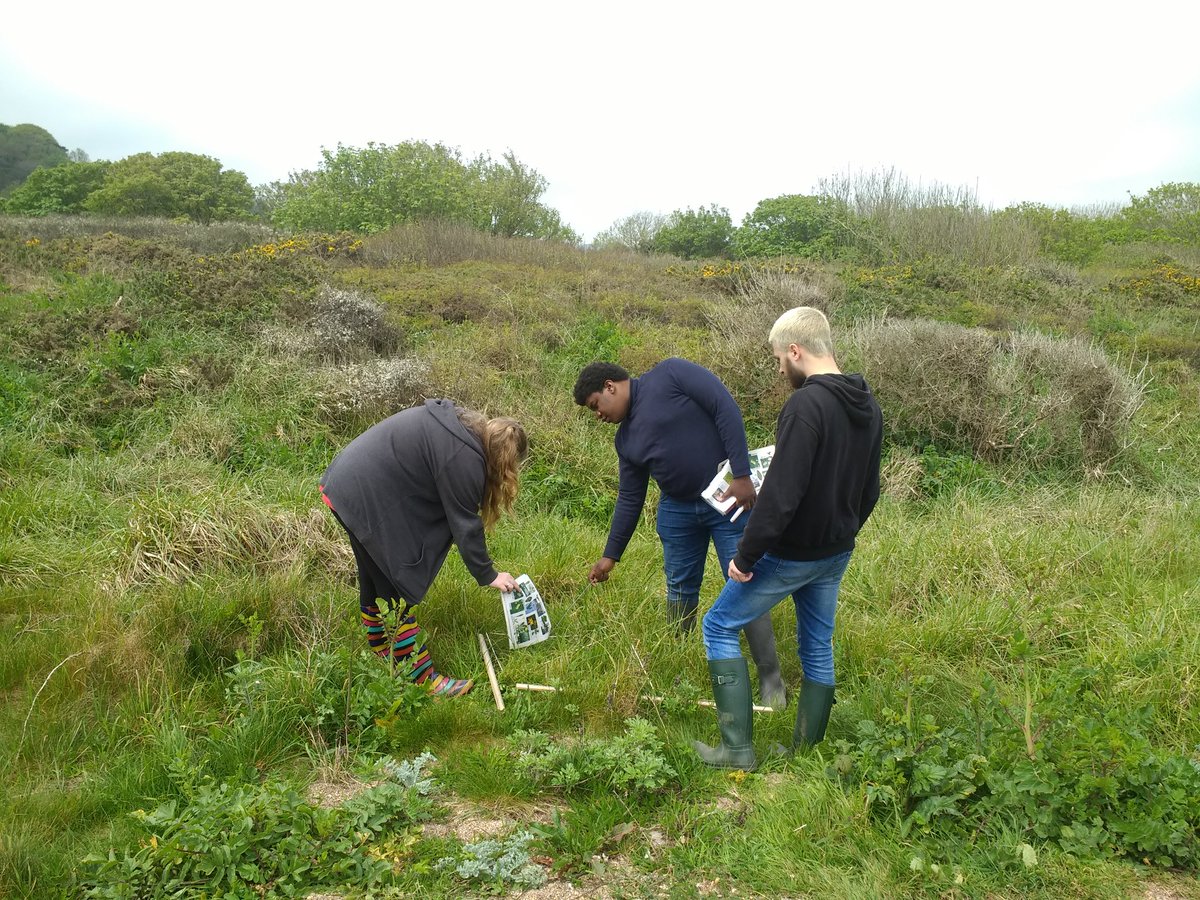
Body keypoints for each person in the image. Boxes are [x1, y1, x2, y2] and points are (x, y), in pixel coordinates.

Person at [693, 308, 883, 769]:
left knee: (718, 625)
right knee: (817, 643)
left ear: (796, 351)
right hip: (835, 551)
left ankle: (736, 751)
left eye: (780, 359)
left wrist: (746, 553)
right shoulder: (868, 403)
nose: (780, 368)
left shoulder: (806, 405)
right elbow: (871, 487)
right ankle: (807, 752)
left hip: (791, 553)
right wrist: (843, 531)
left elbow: (781, 492)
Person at [574, 358, 786, 710]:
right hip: (677, 510)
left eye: (596, 405)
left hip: (725, 499)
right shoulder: (625, 441)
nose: (598, 415)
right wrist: (610, 556)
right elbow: (630, 497)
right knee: (679, 585)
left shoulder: (672, 374)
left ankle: (771, 681)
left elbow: (725, 408)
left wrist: (743, 475)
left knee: (744, 582)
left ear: (610, 386)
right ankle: (680, 672)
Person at [320, 399, 528, 697]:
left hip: (345, 483)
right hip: (362, 490)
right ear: (507, 461)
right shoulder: (464, 458)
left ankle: (380, 644)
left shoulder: (457, 427)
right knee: (394, 582)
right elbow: (465, 525)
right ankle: (421, 678)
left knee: (372, 572)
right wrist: (489, 574)